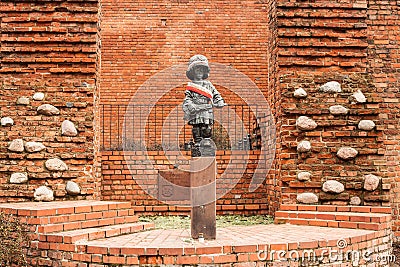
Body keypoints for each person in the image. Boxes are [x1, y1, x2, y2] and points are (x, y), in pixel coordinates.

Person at [183, 55, 226, 157]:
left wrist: (219, 101)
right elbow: (187, 99)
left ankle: (206, 142)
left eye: (201, 70)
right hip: (196, 110)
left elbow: (216, 94)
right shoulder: (190, 86)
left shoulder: (208, 85)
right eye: (197, 69)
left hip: (206, 110)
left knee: (206, 127)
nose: (199, 72)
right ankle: (198, 142)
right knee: (196, 127)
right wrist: (191, 106)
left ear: (204, 72)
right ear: (192, 71)